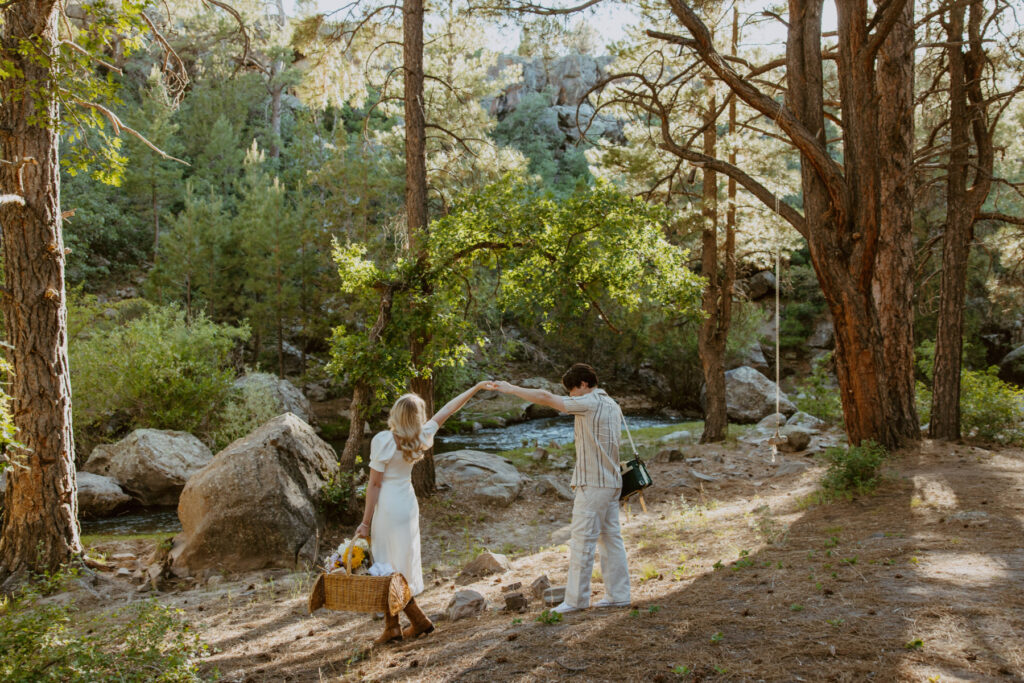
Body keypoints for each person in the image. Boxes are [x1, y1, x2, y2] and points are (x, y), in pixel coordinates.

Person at [355, 380, 493, 644]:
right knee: (397, 564)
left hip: (388, 505)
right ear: (417, 417)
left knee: (386, 565)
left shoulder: (383, 440)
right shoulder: (421, 436)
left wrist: (365, 522)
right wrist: (475, 388)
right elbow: (448, 409)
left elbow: (374, 484)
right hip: (407, 503)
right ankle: (393, 626)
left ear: (395, 414)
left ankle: (415, 621)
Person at [493, 363, 631, 614]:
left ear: (585, 384)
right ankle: (619, 594)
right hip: (612, 482)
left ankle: (576, 600)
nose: (570, 396)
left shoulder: (589, 403)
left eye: (572, 390)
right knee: (611, 540)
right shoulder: (612, 404)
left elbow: (546, 398)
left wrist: (511, 389)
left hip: (593, 483)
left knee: (582, 541)